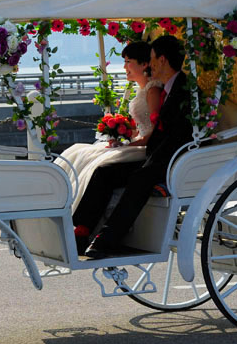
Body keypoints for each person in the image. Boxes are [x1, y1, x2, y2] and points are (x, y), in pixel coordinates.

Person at [73, 35, 194, 258]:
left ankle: (107, 239)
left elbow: (176, 135)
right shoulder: (169, 88)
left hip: (171, 158)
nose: (150, 65)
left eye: (152, 59)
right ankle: (80, 231)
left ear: (162, 60)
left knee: (141, 178)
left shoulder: (182, 90)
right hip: (157, 154)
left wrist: (149, 159)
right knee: (105, 172)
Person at [58, 41, 163, 215]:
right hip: (139, 141)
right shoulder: (143, 90)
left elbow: (154, 130)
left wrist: (127, 145)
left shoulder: (153, 91)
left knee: (97, 160)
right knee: (79, 151)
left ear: (144, 64)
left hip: (145, 146)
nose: (124, 66)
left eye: (129, 61)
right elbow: (140, 127)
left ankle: (81, 215)